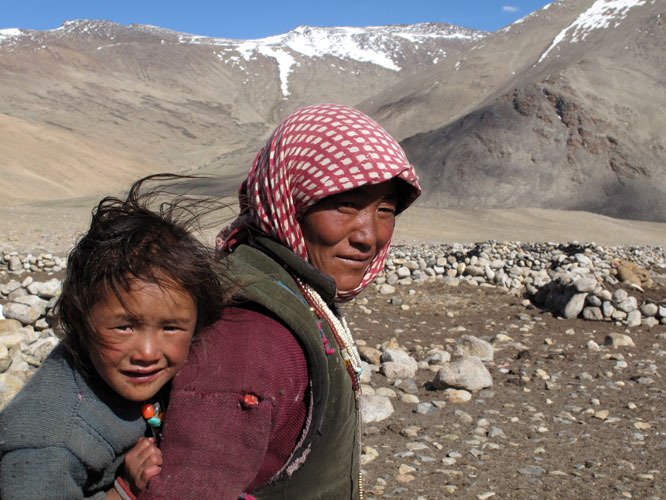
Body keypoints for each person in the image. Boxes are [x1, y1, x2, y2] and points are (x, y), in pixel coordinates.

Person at [140, 104, 421, 500]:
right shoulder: (251, 332)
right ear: (290, 199)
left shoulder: (294, 291)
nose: (368, 236)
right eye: (345, 204)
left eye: (385, 210)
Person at [0, 175, 229, 500]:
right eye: (124, 327)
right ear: (80, 320)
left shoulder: (122, 370)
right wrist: (121, 491)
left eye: (171, 328)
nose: (148, 352)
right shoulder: (51, 444)